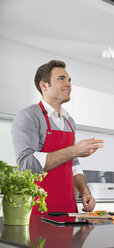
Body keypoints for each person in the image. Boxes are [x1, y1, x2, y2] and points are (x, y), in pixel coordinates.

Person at [12, 60, 104, 215]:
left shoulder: (69, 121)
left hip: (68, 208)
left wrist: (85, 191)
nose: (68, 84)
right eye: (61, 79)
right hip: (37, 210)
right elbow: (26, 165)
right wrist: (74, 150)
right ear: (44, 85)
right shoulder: (29, 116)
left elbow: (73, 164)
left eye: (69, 80)